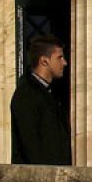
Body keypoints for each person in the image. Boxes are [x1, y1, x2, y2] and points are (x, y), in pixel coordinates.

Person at [11, 34, 70, 166]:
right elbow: (29, 143)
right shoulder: (26, 94)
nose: (64, 63)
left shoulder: (51, 94)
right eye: (59, 57)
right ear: (44, 61)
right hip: (39, 179)